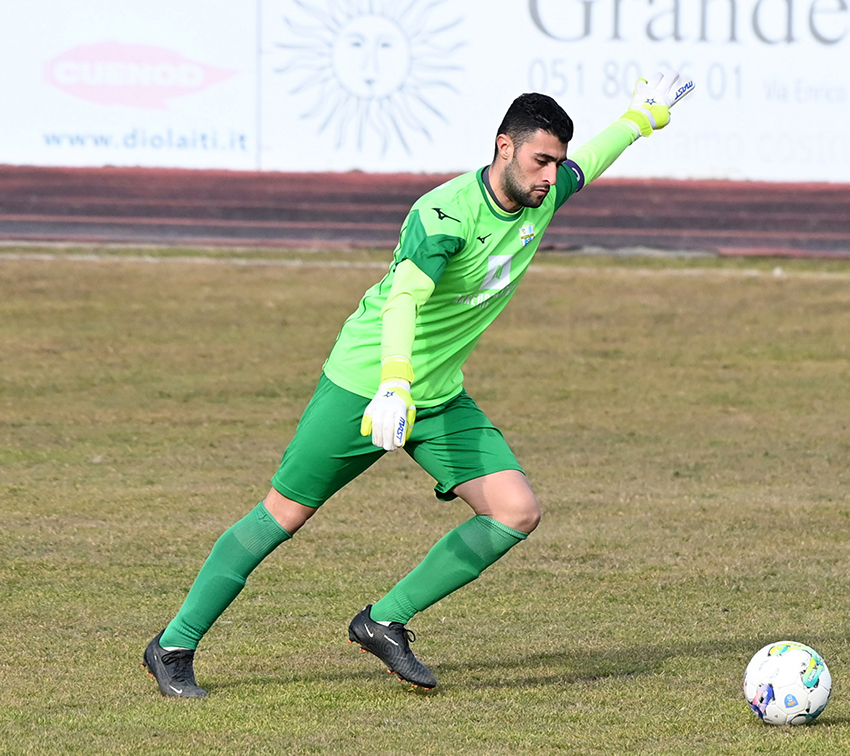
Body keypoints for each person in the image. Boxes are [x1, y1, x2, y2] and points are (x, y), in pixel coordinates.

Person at [142, 69, 695, 698]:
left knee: (515, 511)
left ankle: (383, 621)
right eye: (540, 159)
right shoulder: (441, 216)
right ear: (503, 146)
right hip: (366, 383)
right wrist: (393, 384)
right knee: (284, 514)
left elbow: (590, 160)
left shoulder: (545, 193)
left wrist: (642, 119)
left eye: (556, 163)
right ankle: (173, 644)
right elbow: (404, 299)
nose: (551, 174)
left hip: (438, 395)